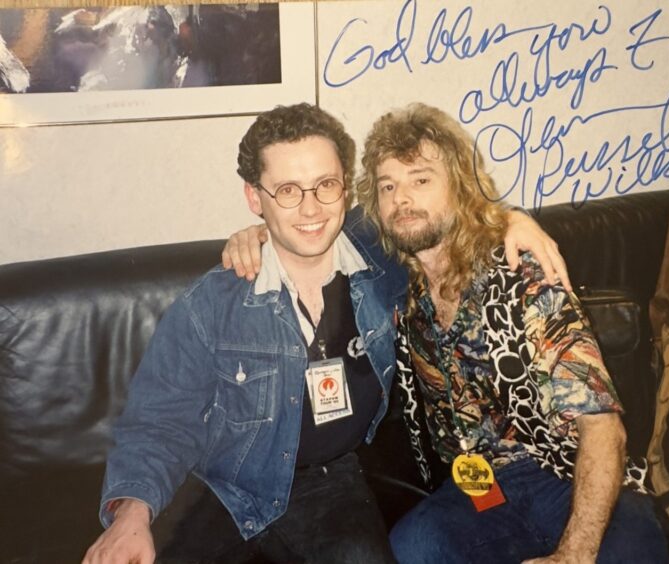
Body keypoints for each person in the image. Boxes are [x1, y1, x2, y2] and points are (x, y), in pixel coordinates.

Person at [84, 102, 568, 564]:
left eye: (325, 186)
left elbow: (440, 216)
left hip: (329, 479)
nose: (311, 208)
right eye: (288, 190)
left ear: (346, 190)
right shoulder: (211, 304)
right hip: (225, 480)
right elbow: (160, 420)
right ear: (255, 197)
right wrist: (132, 513)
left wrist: (510, 221)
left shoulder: (383, 262)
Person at [351, 103, 669, 564]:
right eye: (388, 186)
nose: (402, 198)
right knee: (413, 547)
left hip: (567, 476)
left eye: (421, 179)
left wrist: (573, 556)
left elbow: (604, 430)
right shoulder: (396, 287)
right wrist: (258, 236)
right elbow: (311, 222)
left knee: (629, 554)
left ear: (460, 190)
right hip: (480, 490)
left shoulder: (523, 275)